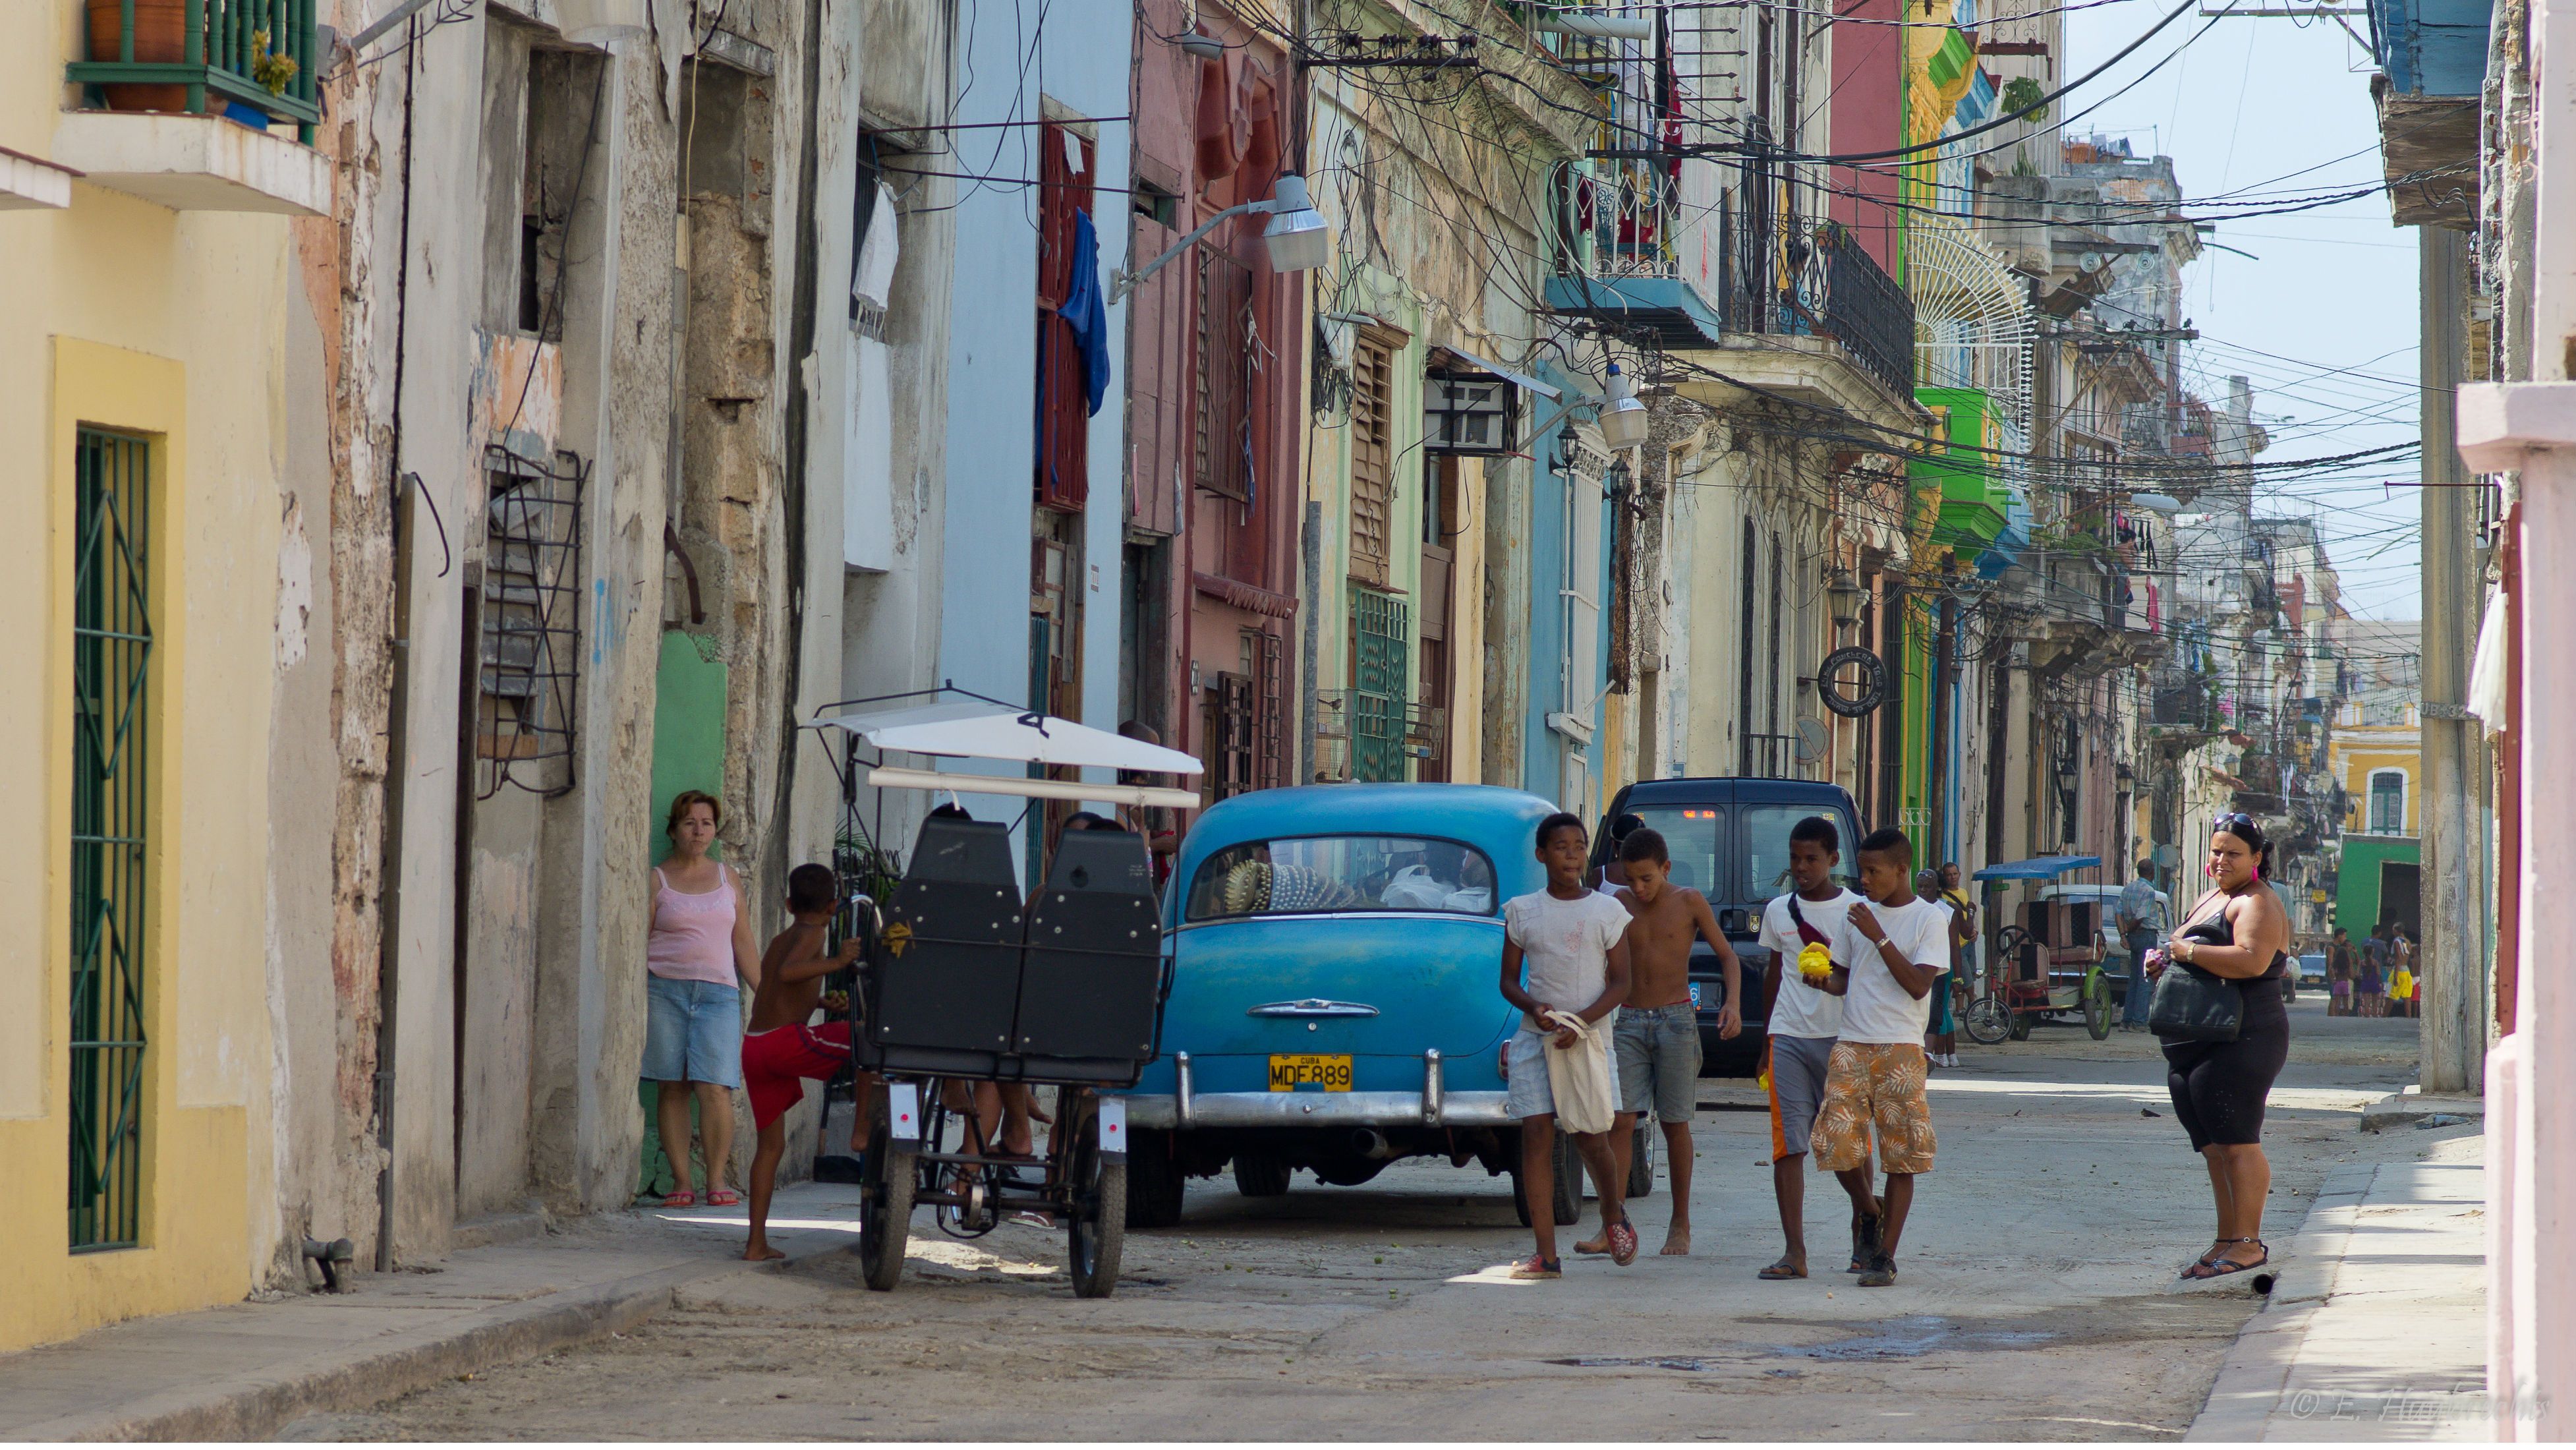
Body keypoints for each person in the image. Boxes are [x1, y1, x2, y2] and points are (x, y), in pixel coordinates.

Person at [2147, 812, 2294, 1280]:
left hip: (2244, 1036)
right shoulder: (2212, 896)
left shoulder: (2258, 902)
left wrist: (2185, 953)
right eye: (2215, 851)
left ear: (2256, 858)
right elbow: (2187, 950)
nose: (2220, 860)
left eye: (2232, 853)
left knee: (2238, 1143)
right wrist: (2165, 961)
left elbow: (2250, 961)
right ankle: (2225, 1238)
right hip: (2198, 1035)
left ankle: (2248, 1243)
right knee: (2213, 1147)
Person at [1588, 827, 1740, 1258]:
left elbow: (1727, 956)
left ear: (1666, 868)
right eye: (1631, 879)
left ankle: (1679, 1224)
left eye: (1647, 879)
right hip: (1630, 1022)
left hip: (1675, 1021)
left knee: (1675, 1124)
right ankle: (1612, 1225)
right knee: (1620, 1121)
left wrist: (1732, 1003)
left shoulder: (1688, 901)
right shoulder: (1617, 905)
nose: (1639, 887)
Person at [1499, 813, 1636, 1279]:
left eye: (1579, 846)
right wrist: (1534, 1007)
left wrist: (1581, 1022)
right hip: (1536, 1039)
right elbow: (1508, 982)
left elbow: (1620, 984)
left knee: (1589, 1138)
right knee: (1536, 1134)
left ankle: (1613, 1215)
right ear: (1541, 854)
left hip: (1587, 1042)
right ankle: (1546, 1255)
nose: (1572, 855)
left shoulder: (1607, 911)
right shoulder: (1522, 911)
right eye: (1561, 847)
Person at [1812, 828, 1948, 1289]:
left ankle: (1883, 1257)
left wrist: (1879, 938)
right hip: (1851, 1040)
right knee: (1833, 1141)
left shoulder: (1928, 920)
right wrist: (1822, 982)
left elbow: (1917, 985)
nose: (1864, 880)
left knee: (1901, 1157)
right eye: (1861, 871)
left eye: (1874, 871)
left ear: (1901, 869)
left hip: (1902, 1048)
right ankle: (1869, 1210)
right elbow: (1844, 979)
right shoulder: (1856, 916)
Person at [1754, 816, 1882, 1281]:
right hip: (1787, 1036)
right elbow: (1774, 975)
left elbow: (1865, 979)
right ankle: (1794, 1253)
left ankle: (1864, 1225)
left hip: (1843, 1039)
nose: (1801, 867)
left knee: (1848, 1145)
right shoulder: (1776, 912)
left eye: (1811, 859)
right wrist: (1764, 1043)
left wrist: (1835, 989)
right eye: (1794, 859)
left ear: (1832, 860)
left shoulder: (1857, 911)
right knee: (1789, 1146)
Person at [739, 863, 868, 1261]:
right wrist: (839, 961)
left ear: (789, 902)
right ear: (833, 906)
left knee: (770, 1148)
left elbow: (778, 987)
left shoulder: (783, 936)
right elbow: (791, 972)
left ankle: (756, 1244)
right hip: (781, 1043)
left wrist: (820, 1001)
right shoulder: (814, 933)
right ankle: (861, 1129)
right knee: (869, 1036)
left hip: (755, 1046)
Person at [643, 791, 762, 1209]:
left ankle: (716, 1181)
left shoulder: (728, 878)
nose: (699, 831)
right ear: (674, 829)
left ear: (715, 830)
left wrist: (764, 992)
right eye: (690, 823)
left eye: (707, 823)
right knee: (672, 1086)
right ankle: (681, 1182)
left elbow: (742, 940)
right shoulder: (657, 879)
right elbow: (642, 938)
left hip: (719, 995)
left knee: (716, 1087)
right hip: (665, 991)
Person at [1915, 869, 1967, 1068]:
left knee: (1937, 1007)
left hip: (1941, 968)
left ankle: (1937, 1054)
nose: (1922, 891)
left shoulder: (1945, 911)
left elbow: (1954, 945)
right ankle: (1944, 1055)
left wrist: (1958, 977)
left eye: (1927, 887)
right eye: (1919, 887)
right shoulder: (1913, 908)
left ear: (1937, 887)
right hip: (1917, 966)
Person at [2117, 859, 2161, 1033]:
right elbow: (2141, 917)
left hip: (2134, 937)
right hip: (2146, 935)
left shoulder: (2128, 889)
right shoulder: (2149, 891)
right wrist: (2128, 930)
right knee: (2145, 979)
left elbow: (2119, 913)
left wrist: (2124, 935)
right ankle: (2139, 1022)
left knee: (2134, 979)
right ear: (2152, 872)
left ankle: (2126, 1021)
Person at [2361, 924, 2390, 1018]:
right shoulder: (2381, 944)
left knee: (2366, 997)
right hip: (2375, 976)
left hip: (2365, 976)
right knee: (2375, 997)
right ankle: (2374, 1014)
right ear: (2380, 933)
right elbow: (2386, 954)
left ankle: (2366, 1013)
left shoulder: (2364, 941)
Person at [2327, 927, 2355, 1016]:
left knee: (2336, 997)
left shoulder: (2339, 947)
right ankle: (2332, 1016)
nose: (2345, 938)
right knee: (2334, 997)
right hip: (2334, 975)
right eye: (2344, 936)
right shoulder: (2331, 947)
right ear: (2339, 936)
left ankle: (2333, 1015)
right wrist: (2333, 975)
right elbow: (2330, 963)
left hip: (2338, 976)